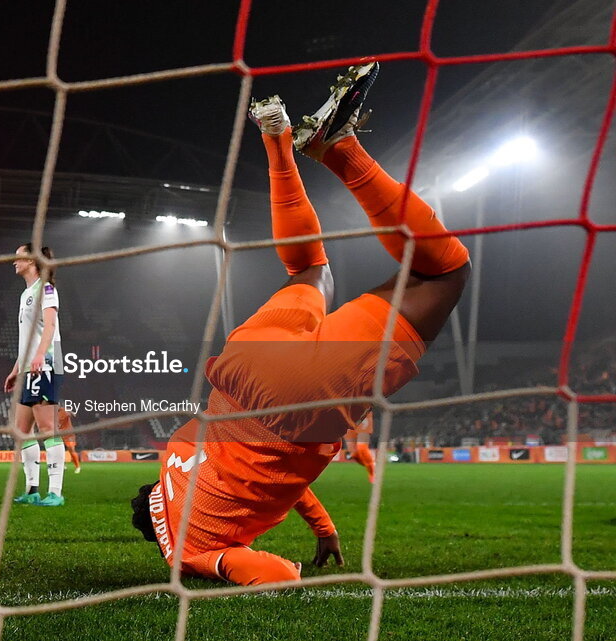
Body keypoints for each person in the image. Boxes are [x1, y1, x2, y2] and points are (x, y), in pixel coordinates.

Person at [129, 63, 470, 586]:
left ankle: (340, 149)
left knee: (442, 274)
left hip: (297, 403)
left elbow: (273, 575)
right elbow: (286, 486)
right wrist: (324, 527)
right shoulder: (174, 454)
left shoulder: (189, 553)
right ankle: (279, 142)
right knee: (309, 268)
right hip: (242, 362)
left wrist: (276, 563)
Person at [5, 244, 66, 507]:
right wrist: (16, 368)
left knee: (48, 428)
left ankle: (55, 493)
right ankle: (32, 489)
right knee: (21, 430)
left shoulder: (47, 289)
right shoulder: (25, 294)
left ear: (31, 260)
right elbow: (29, 337)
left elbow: (50, 326)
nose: (14, 261)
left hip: (47, 364)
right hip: (29, 366)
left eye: (19, 256)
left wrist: (41, 355)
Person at [344, 413, 376, 483]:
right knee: (354, 453)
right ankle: (370, 464)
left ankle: (372, 473)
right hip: (346, 415)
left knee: (362, 448)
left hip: (363, 412)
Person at [58, 407, 81, 474]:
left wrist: (72, 413)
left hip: (68, 433)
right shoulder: (51, 412)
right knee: (58, 450)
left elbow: (69, 412)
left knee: (71, 449)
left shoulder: (63, 410)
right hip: (58, 433)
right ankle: (63, 465)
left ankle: (77, 467)